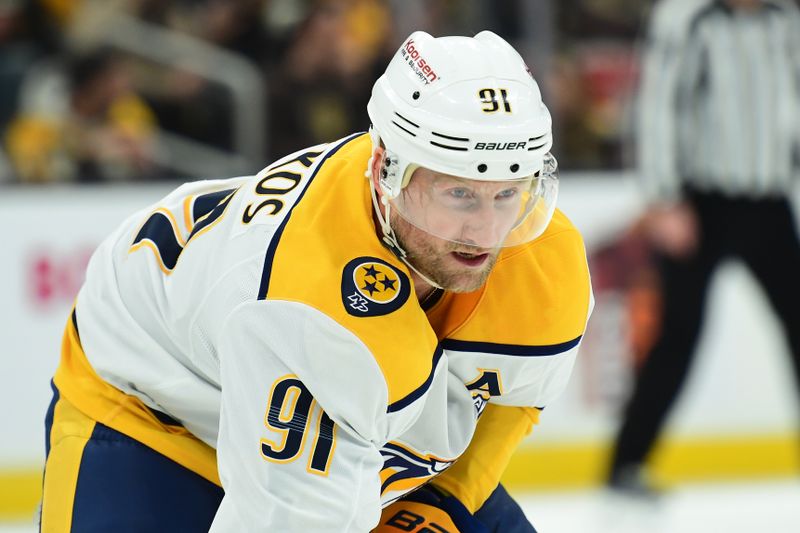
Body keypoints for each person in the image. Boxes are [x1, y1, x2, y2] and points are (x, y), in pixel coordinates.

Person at [40, 30, 593, 532]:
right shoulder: (308, 302)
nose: (486, 230)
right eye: (458, 194)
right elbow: (288, 520)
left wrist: (443, 502)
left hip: (326, 402)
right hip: (155, 407)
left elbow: (511, 396)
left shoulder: (544, 260)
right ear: (385, 176)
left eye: (506, 193)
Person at [607, 0, 800, 494]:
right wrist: (664, 197)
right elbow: (656, 103)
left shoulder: (786, 20)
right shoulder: (689, 17)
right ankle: (627, 464)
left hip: (769, 198)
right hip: (700, 202)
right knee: (678, 335)